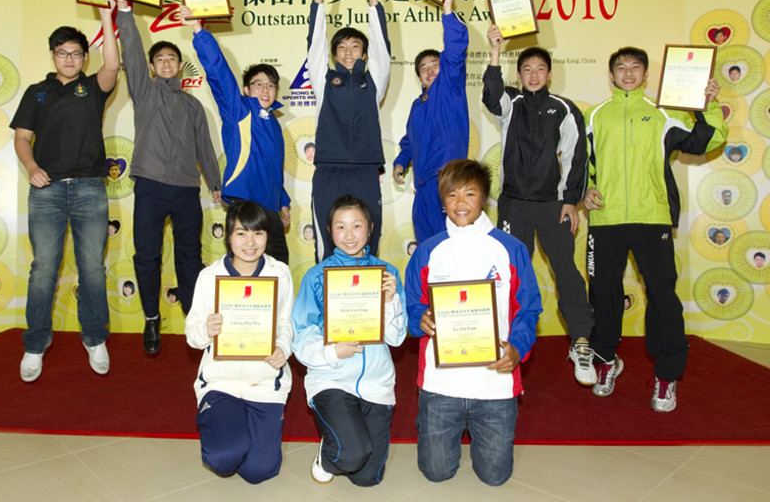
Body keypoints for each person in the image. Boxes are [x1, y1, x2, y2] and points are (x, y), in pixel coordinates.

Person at [583, 46, 728, 412]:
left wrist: (708, 104)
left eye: (635, 68)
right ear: (611, 74)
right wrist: (584, 190)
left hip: (653, 219)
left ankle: (666, 377)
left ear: (646, 75)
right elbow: (575, 163)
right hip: (606, 220)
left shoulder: (665, 114)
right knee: (603, 295)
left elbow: (704, 141)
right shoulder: (594, 116)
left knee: (663, 298)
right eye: (621, 67)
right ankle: (605, 361)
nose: (628, 73)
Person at [404, 159, 542, 486]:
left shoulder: (510, 250)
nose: (461, 203)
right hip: (441, 385)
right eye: (452, 195)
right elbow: (411, 305)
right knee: (436, 473)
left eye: (470, 194)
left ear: (484, 198)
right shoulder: (427, 252)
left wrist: (518, 349)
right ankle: (431, 424)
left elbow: (529, 309)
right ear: (442, 201)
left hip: (494, 382)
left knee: (495, 477)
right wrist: (418, 318)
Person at [10, 0, 120, 383]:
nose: (69, 59)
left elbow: (113, 64)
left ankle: (94, 338)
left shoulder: (92, 88)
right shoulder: (37, 93)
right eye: (62, 53)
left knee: (92, 268)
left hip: (90, 189)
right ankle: (35, 344)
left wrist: (106, 16)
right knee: (43, 269)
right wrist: (32, 167)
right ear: (53, 55)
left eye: (76, 53)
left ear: (84, 57)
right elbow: (23, 138)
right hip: (47, 191)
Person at [112, 0, 222, 356]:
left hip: (187, 190)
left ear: (179, 66)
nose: (164, 63)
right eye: (158, 59)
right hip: (151, 187)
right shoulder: (144, 92)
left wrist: (216, 183)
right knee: (147, 256)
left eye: (170, 59)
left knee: (189, 256)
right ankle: (151, 318)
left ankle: (194, 321)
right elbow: (130, 48)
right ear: (153, 67)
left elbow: (205, 148)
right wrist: (125, 11)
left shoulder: (194, 106)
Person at [482, 28, 593, 386]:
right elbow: (490, 95)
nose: (532, 75)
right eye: (526, 69)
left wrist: (570, 201)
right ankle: (502, 343)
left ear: (548, 74)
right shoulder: (509, 104)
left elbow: (577, 157)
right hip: (514, 205)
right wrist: (496, 52)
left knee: (567, 272)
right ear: (519, 75)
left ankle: (581, 342)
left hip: (552, 206)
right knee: (508, 274)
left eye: (539, 69)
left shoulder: (563, 109)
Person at [291, 195, 407, 486]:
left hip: (376, 383)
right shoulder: (316, 276)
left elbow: (396, 338)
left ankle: (343, 445)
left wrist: (391, 301)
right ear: (329, 231)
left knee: (367, 478)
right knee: (352, 455)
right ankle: (331, 453)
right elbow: (301, 336)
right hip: (332, 379)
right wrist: (332, 353)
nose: (350, 234)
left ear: (369, 228)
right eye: (341, 227)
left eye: (357, 225)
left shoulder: (387, 274)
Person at [185, 200, 295, 484]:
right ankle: (226, 424)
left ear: (267, 235)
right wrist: (206, 329)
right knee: (223, 459)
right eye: (241, 233)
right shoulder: (209, 277)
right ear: (228, 236)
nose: (250, 242)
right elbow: (192, 335)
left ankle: (250, 430)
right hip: (222, 383)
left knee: (259, 471)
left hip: (266, 384)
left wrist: (283, 348)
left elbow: (286, 323)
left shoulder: (279, 272)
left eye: (258, 233)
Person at [183, 6, 291, 265]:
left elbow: (274, 171)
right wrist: (199, 31)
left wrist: (283, 202)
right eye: (258, 84)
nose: (265, 89)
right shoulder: (239, 111)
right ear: (246, 89)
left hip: (272, 210)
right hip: (245, 206)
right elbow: (219, 73)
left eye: (271, 85)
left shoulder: (274, 125)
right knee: (247, 274)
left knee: (280, 272)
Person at [307, 0, 391, 261]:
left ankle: (366, 303)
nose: (348, 53)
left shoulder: (374, 81)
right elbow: (315, 43)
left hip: (366, 169)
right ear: (334, 56)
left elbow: (382, 45)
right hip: (329, 169)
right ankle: (326, 303)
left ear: (364, 54)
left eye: (355, 47)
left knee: (368, 241)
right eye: (341, 48)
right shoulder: (324, 80)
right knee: (328, 244)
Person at [393, 0, 469, 243]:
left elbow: (456, 51)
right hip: (423, 189)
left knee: (453, 249)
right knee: (428, 251)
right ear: (419, 77)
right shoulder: (418, 105)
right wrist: (401, 162)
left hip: (448, 183)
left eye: (434, 65)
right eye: (423, 68)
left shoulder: (449, 88)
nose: (428, 70)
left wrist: (447, 9)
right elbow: (410, 141)